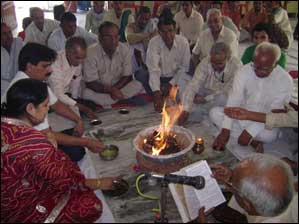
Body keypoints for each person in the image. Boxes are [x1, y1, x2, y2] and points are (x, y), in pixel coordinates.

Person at [1, 78, 119, 223]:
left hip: (11, 192)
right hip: (19, 208)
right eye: (45, 105)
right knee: (91, 205)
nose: (48, 109)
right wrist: (100, 183)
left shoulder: (5, 122)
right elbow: (66, 182)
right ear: (30, 108)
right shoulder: (37, 144)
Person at [1, 43, 103, 162]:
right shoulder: (26, 90)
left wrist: (78, 120)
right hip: (20, 147)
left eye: (50, 66)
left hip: (34, 134)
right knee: (77, 151)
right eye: (45, 66)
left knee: (73, 131)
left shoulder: (35, 82)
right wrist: (86, 142)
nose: (50, 70)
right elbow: (46, 134)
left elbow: (56, 104)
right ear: (30, 67)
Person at [210, 42, 293, 152]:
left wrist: (250, 132)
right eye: (255, 66)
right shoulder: (244, 71)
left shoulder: (285, 80)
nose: (258, 71)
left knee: (270, 135)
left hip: (263, 121)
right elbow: (234, 100)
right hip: (241, 114)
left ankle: (246, 135)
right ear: (253, 59)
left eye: (264, 69)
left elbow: (275, 113)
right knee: (214, 113)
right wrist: (225, 130)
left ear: (276, 64)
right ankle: (254, 141)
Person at [212, 154, 297, 223]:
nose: (230, 184)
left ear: (247, 205)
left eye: (233, 185)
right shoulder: (285, 189)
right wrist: (233, 177)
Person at [82, 21, 145, 108]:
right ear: (100, 38)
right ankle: (117, 99)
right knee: (85, 93)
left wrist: (115, 89)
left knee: (138, 85)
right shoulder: (90, 53)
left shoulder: (124, 49)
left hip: (119, 88)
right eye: (109, 37)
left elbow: (127, 76)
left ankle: (107, 101)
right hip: (100, 90)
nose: (114, 40)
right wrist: (110, 90)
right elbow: (90, 83)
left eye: (116, 37)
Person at [179, 42, 242, 124]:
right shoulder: (206, 61)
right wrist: (186, 110)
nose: (215, 66)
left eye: (219, 64)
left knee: (223, 98)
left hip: (220, 96)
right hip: (205, 91)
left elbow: (229, 90)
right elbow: (194, 84)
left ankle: (204, 114)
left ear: (228, 58)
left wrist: (206, 99)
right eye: (213, 63)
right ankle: (201, 113)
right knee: (184, 82)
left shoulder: (236, 66)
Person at [146, 15, 190, 112]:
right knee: (141, 75)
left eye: (171, 31)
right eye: (164, 32)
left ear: (176, 30)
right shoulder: (154, 43)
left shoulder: (183, 42)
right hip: (159, 78)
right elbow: (153, 70)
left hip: (176, 79)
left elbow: (184, 68)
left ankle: (178, 104)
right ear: (159, 32)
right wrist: (156, 92)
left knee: (186, 81)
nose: (168, 35)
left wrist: (171, 84)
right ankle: (161, 94)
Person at [48, 37, 97, 119]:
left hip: (66, 95)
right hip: (52, 99)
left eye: (83, 58)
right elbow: (58, 94)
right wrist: (79, 106)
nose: (80, 62)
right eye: (77, 58)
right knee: (75, 113)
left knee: (91, 105)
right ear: (67, 52)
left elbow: (76, 82)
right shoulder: (55, 63)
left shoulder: (77, 61)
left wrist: (75, 100)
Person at [125, 6, 158, 95]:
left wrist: (140, 37)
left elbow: (154, 42)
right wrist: (146, 35)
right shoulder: (131, 26)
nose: (144, 21)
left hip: (150, 62)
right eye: (142, 18)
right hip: (136, 66)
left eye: (146, 19)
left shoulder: (151, 26)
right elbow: (130, 38)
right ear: (137, 16)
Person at [1, 23, 24, 96]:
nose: (9, 36)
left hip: (21, 83)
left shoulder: (18, 42)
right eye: (4, 34)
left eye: (9, 32)